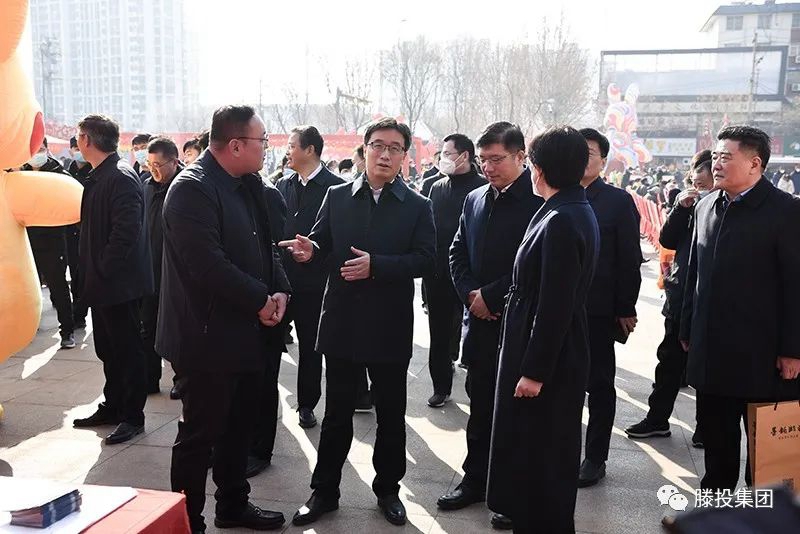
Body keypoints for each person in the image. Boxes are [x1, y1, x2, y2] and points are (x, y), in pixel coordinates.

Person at [280, 117, 435, 527]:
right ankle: (324, 491)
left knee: (390, 415)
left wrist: (377, 266)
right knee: (336, 415)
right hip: (343, 321)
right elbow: (322, 242)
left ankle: (388, 490)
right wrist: (310, 251)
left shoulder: (418, 205)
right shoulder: (337, 196)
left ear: (404, 156)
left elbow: (427, 260)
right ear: (364, 149)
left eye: (395, 148)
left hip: (389, 325)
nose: (385, 154)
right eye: (378, 145)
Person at [158, 105, 289, 532]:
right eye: (262, 141)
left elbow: (268, 247)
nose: (267, 148)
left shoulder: (248, 185)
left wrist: (281, 290)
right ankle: (187, 520)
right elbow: (207, 265)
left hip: (247, 331)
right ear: (235, 145)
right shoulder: (192, 189)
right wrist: (259, 300)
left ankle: (232, 505)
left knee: (239, 427)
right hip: (205, 334)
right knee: (200, 434)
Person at [487, 126, 599, 534]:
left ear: (540, 168)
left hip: (548, 355)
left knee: (541, 457)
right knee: (535, 453)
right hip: (542, 343)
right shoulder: (565, 208)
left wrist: (534, 371)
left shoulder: (563, 219)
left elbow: (555, 305)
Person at [680, 125, 800, 492]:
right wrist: (687, 328)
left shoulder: (786, 212)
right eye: (715, 156)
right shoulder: (705, 206)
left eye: (725, 157)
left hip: (763, 356)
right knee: (717, 449)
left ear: (754, 163)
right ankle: (715, 511)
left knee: (767, 456)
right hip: (712, 352)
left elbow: (796, 285)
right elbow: (694, 274)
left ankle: (764, 515)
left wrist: (792, 350)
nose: (716, 164)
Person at [439, 122, 543, 531]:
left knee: (515, 414)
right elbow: (456, 251)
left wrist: (492, 297)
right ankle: (474, 480)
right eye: (483, 160)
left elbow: (533, 267)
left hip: (515, 325)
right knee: (479, 406)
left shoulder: (539, 202)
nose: (489, 167)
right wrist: (471, 296)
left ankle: (511, 492)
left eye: (497, 159)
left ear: (520, 157)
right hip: (479, 324)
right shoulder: (475, 198)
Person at [71, 115, 153, 446]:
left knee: (127, 350)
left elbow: (126, 232)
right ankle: (114, 405)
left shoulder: (119, 176)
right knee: (108, 349)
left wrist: (103, 268)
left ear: (87, 140)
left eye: (79, 136)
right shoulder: (101, 174)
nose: (78, 142)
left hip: (119, 284)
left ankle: (132, 415)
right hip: (104, 282)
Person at [625, 150, 713, 447]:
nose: (697, 188)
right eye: (694, 182)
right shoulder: (687, 205)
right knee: (669, 363)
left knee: (706, 368)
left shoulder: (727, 208)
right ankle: (657, 419)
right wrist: (681, 208)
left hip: (709, 302)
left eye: (703, 183)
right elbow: (667, 240)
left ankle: (706, 428)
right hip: (680, 296)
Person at [577, 128, 642, 488]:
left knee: (599, 385)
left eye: (589, 152)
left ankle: (595, 457)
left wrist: (625, 307)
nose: (581, 158)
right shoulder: (552, 194)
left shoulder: (617, 201)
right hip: (559, 309)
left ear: (603, 160)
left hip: (598, 310)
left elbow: (628, 259)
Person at [275, 126, 344, 429]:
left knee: (310, 348)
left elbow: (339, 241)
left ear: (310, 150)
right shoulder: (283, 184)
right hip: (281, 281)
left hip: (314, 284)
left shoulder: (336, 189)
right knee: (269, 344)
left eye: (292, 146)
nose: (287, 151)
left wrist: (315, 256)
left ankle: (307, 405)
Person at [424, 133, 486, 407]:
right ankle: (441, 386)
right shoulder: (435, 187)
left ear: (465, 156)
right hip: (438, 272)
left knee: (476, 332)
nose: (443, 159)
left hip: (472, 274)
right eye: (442, 154)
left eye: (448, 154)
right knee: (438, 332)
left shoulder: (483, 187)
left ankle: (477, 387)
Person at [21, 138, 76, 349]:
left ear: (47, 149)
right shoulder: (20, 173)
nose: (37, 154)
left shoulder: (58, 173)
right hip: (27, 240)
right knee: (28, 288)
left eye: (41, 149)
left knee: (58, 287)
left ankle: (67, 331)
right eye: (33, 150)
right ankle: (27, 328)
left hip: (52, 239)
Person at [142, 137, 184, 397]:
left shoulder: (186, 188)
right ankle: (149, 378)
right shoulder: (145, 186)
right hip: (149, 269)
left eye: (158, 165)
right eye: (149, 165)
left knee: (178, 328)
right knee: (148, 326)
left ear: (174, 162)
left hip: (176, 273)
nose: (153, 170)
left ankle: (182, 378)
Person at [66, 136, 92, 328]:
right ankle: (78, 312)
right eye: (74, 147)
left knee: (86, 273)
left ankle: (82, 310)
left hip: (88, 230)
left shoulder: (94, 172)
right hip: (70, 231)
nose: (78, 150)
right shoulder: (67, 173)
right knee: (75, 273)